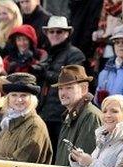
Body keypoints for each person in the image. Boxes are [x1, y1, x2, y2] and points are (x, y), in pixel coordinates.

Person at [36, 16, 86, 150]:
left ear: (67, 33)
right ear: (46, 33)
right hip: (44, 114)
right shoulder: (46, 55)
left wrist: (46, 73)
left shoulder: (75, 54)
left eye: (59, 31)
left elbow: (72, 80)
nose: (55, 35)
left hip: (62, 115)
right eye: (51, 31)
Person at [0, 73, 52, 163]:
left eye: (23, 95)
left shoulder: (35, 126)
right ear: (8, 98)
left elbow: (19, 165)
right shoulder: (8, 122)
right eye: (14, 95)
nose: (18, 100)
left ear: (31, 99)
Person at [69, 95, 123, 167]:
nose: (107, 115)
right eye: (104, 111)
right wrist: (78, 159)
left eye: (114, 111)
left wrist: (90, 163)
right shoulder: (103, 139)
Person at [53, 65, 102, 166]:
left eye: (69, 88)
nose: (63, 93)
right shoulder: (70, 116)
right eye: (60, 88)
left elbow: (82, 164)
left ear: (84, 89)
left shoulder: (90, 116)